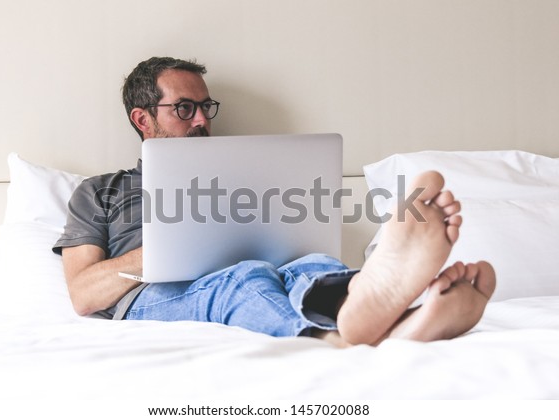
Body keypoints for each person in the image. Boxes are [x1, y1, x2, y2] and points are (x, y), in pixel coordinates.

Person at [53, 57, 496, 347]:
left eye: (207, 107)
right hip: (154, 294)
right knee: (246, 276)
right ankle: (341, 339)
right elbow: (82, 295)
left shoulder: (247, 171)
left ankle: (378, 302)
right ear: (142, 117)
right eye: (185, 109)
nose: (203, 119)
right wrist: (166, 252)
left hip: (271, 268)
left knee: (311, 264)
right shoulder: (101, 190)